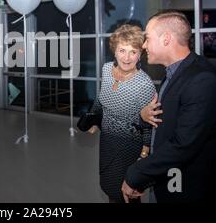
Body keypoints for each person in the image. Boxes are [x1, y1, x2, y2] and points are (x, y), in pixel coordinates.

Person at [122, 11, 216, 203]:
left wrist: (136, 174)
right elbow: (168, 121)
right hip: (165, 179)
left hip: (186, 188)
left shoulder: (202, 79)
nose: (144, 46)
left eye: (147, 39)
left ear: (166, 39)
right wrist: (144, 115)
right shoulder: (174, 72)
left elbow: (184, 144)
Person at [88, 24, 156, 203]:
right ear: (114, 51)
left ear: (140, 54)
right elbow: (101, 98)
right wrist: (94, 119)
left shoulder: (144, 84)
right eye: (122, 50)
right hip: (107, 141)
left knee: (127, 193)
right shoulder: (106, 69)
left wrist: (144, 154)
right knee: (110, 186)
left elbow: (149, 123)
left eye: (133, 52)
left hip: (130, 146)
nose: (127, 57)